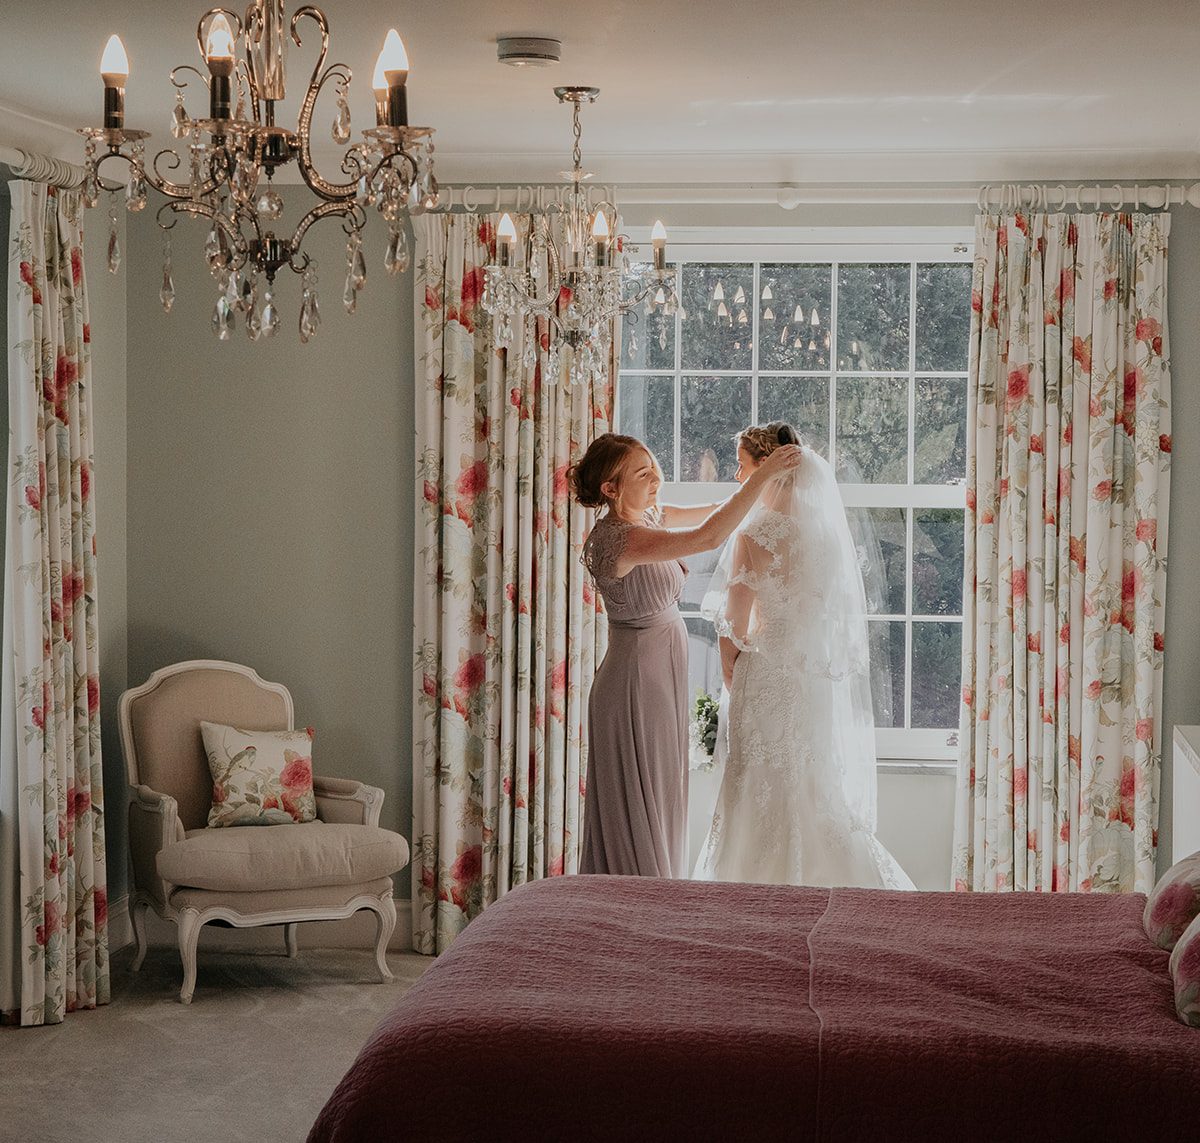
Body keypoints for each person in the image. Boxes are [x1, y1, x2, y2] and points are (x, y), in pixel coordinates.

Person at [570, 432, 803, 878]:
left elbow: (720, 515)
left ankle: (656, 895)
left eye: (654, 466)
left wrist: (767, 488)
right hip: (636, 678)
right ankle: (638, 900)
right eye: (642, 473)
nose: (656, 477)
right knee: (645, 794)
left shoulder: (651, 519)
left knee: (663, 791)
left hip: (661, 668)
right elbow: (710, 535)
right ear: (610, 489)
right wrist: (766, 473)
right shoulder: (618, 540)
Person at [694, 422, 914, 889]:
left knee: (758, 780)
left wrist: (731, 671)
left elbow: (733, 623)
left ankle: (754, 889)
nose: (738, 477)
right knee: (811, 780)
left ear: (769, 470)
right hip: (810, 677)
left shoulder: (756, 533)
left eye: (742, 466)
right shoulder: (825, 537)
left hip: (766, 670)